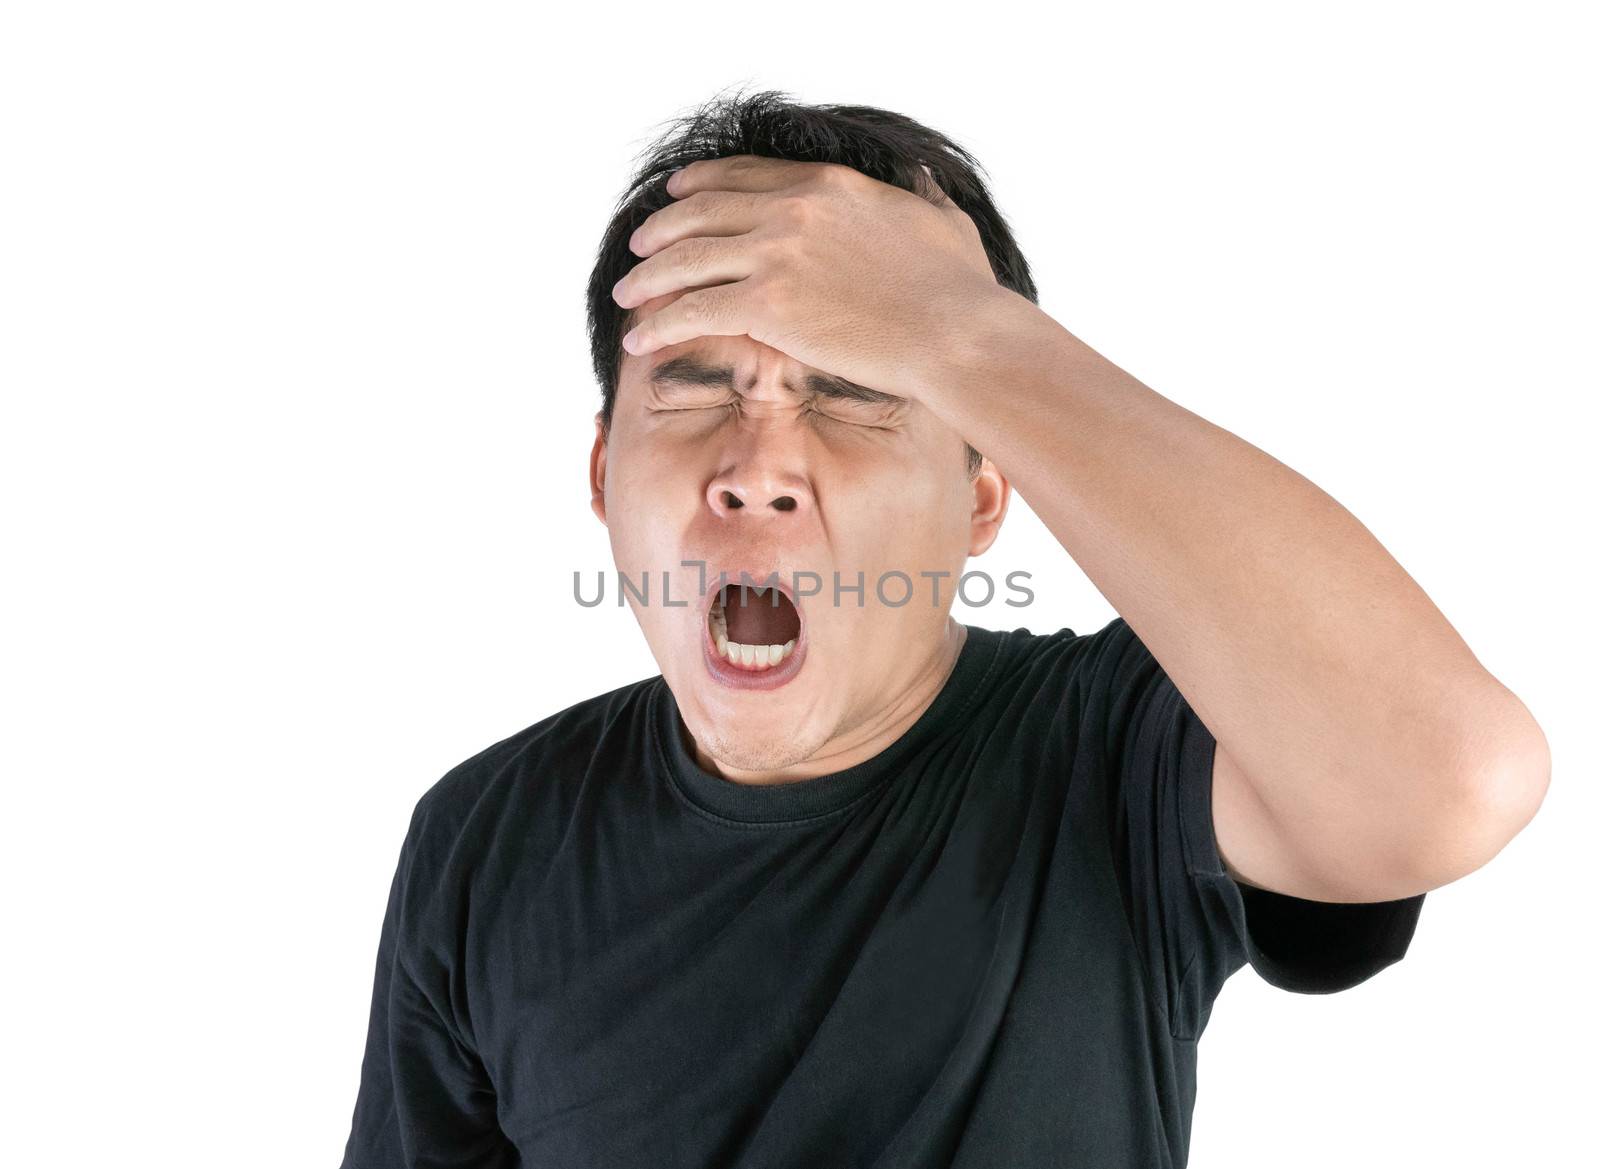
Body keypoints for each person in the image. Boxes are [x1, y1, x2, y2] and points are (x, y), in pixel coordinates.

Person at [339, 88, 1549, 1168]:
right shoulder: (484, 836)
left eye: (855, 394)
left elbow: (1449, 774)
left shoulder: (1124, 746)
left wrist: (948, 326)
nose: (757, 467)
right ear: (604, 472)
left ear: (981, 495)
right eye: (698, 387)